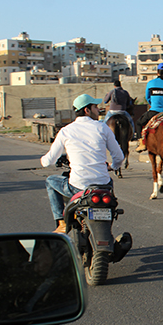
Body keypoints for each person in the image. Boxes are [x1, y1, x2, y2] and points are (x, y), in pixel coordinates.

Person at [41, 94, 124, 233]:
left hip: (78, 187)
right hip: (103, 185)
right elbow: (119, 157)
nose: (98, 110)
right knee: (110, 193)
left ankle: (61, 222)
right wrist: (113, 166)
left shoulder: (66, 131)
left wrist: (43, 160)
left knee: (50, 181)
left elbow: (49, 161)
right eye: (95, 107)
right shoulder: (102, 128)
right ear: (87, 110)